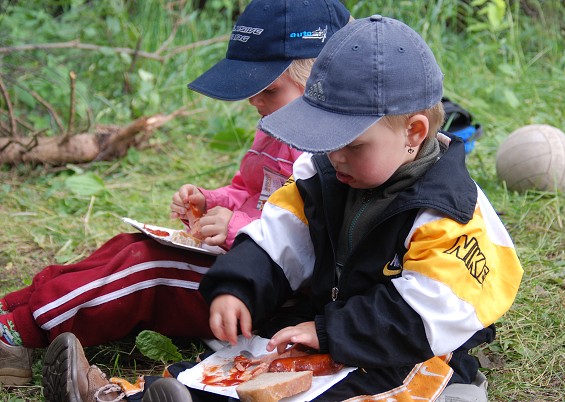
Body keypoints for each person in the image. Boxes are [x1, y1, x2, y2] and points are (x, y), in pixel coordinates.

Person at [0, 0, 351, 392]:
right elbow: (249, 191)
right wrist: (212, 202)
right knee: (130, 246)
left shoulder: (333, 153)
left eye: (268, 89)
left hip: (267, 289)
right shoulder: (273, 126)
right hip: (236, 255)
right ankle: (14, 307)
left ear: (320, 80)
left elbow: (310, 241)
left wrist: (237, 227)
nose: (255, 101)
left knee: (148, 270)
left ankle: (18, 331)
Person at [199, 15, 524, 401]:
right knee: (244, 371)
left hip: (413, 342)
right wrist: (237, 287)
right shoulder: (317, 174)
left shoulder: (451, 212)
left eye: (352, 145)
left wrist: (327, 332)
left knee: (412, 386)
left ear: (413, 133)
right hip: (334, 320)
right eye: (324, 137)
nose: (334, 155)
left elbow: (425, 315)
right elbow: (277, 238)